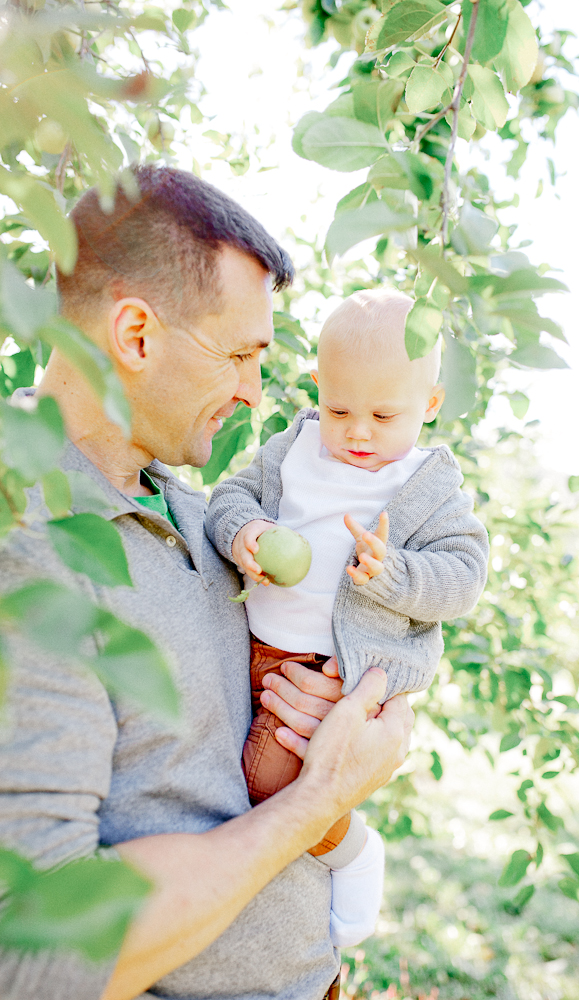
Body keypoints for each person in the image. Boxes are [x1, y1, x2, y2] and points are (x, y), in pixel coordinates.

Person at [0, 165, 413, 1000]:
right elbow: (37, 961)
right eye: (240, 355)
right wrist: (324, 794)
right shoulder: (29, 553)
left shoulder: (199, 517)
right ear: (137, 335)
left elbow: (209, 781)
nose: (256, 394)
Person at [206, 288, 489, 945]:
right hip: (244, 645)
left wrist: (391, 575)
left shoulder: (426, 486)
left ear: (430, 405)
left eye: (383, 414)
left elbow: (463, 579)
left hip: (326, 671)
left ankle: (350, 849)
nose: (357, 432)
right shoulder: (295, 447)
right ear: (316, 389)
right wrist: (242, 529)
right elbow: (230, 495)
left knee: (264, 782)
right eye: (338, 408)